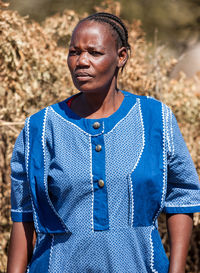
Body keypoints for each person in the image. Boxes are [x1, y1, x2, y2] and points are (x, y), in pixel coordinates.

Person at [7, 12, 200, 273]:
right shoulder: (41, 128)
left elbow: (181, 197)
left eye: (94, 53)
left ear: (121, 57)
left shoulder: (156, 119)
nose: (81, 62)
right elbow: (24, 216)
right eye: (74, 52)